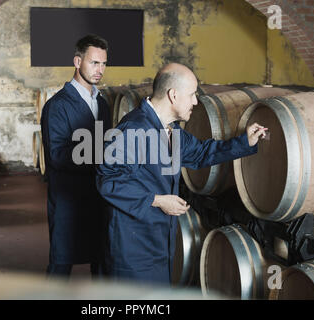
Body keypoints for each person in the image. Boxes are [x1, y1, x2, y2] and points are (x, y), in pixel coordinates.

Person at [96, 63, 267, 284]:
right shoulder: (133, 129)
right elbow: (108, 181)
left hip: (159, 241)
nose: (196, 101)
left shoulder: (171, 130)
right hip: (133, 248)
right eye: (192, 94)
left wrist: (246, 142)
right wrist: (157, 200)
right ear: (173, 95)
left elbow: (201, 153)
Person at [40, 34, 112, 277]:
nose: (99, 70)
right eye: (94, 63)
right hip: (68, 200)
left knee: (101, 263)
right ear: (77, 61)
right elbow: (57, 155)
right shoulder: (57, 106)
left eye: (103, 63)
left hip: (98, 196)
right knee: (61, 265)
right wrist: (101, 157)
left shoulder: (102, 104)